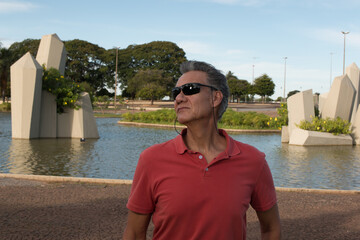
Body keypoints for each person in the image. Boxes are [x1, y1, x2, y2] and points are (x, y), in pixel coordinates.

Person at [123, 61, 281, 240]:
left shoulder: (253, 161)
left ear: (215, 98)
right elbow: (135, 233)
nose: (179, 98)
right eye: (176, 92)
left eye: (190, 89)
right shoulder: (151, 159)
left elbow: (271, 228)